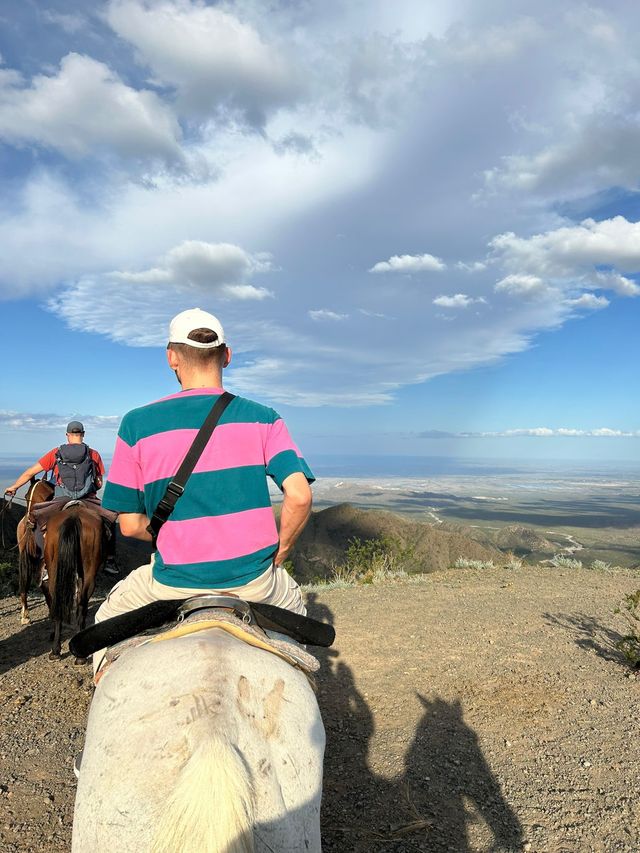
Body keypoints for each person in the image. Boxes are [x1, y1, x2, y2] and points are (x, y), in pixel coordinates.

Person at [94, 307, 314, 672]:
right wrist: (283, 550)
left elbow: (131, 526)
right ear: (227, 355)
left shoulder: (136, 424)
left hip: (171, 585)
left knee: (106, 621)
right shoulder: (264, 417)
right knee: (298, 623)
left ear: (171, 358)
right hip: (254, 583)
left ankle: (105, 675)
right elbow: (300, 495)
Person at [5, 421, 119, 575]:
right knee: (111, 519)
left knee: (37, 521)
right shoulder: (94, 454)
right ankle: (110, 561)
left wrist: (14, 487)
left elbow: (30, 473)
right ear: (83, 434)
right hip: (88, 499)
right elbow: (98, 482)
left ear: (67, 435)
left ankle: (44, 561)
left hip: (61, 498)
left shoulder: (55, 453)